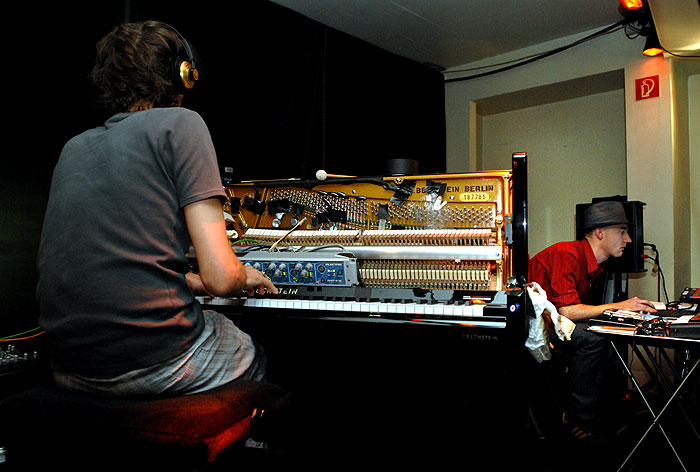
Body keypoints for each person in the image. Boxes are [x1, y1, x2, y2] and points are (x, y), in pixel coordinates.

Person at [36, 20, 277, 397]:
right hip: (153, 362)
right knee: (253, 351)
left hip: (69, 367)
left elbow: (106, 266)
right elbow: (222, 279)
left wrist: (188, 280)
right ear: (183, 75)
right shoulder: (182, 124)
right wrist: (241, 273)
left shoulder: (74, 147)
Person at [529, 200, 656, 439]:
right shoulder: (566, 254)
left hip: (550, 324)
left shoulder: (593, 265)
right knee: (592, 338)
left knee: (608, 332)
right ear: (600, 233)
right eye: (622, 231)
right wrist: (620, 306)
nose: (628, 239)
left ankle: (607, 412)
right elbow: (567, 311)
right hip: (532, 328)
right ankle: (577, 419)